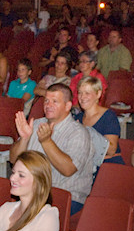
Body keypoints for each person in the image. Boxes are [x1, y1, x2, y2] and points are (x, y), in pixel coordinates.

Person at [10, 83, 94, 215]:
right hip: (33, 192)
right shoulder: (36, 124)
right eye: (46, 101)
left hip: (65, 196)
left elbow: (68, 169)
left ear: (67, 106)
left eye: (55, 101)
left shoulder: (78, 133)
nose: (48, 105)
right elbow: (13, 160)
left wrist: (46, 141)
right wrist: (24, 139)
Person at [75, 76, 123, 165]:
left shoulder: (108, 116)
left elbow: (111, 150)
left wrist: (86, 133)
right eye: (80, 93)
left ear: (98, 94)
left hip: (108, 165)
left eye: (87, 93)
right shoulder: (78, 118)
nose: (82, 97)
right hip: (86, 166)